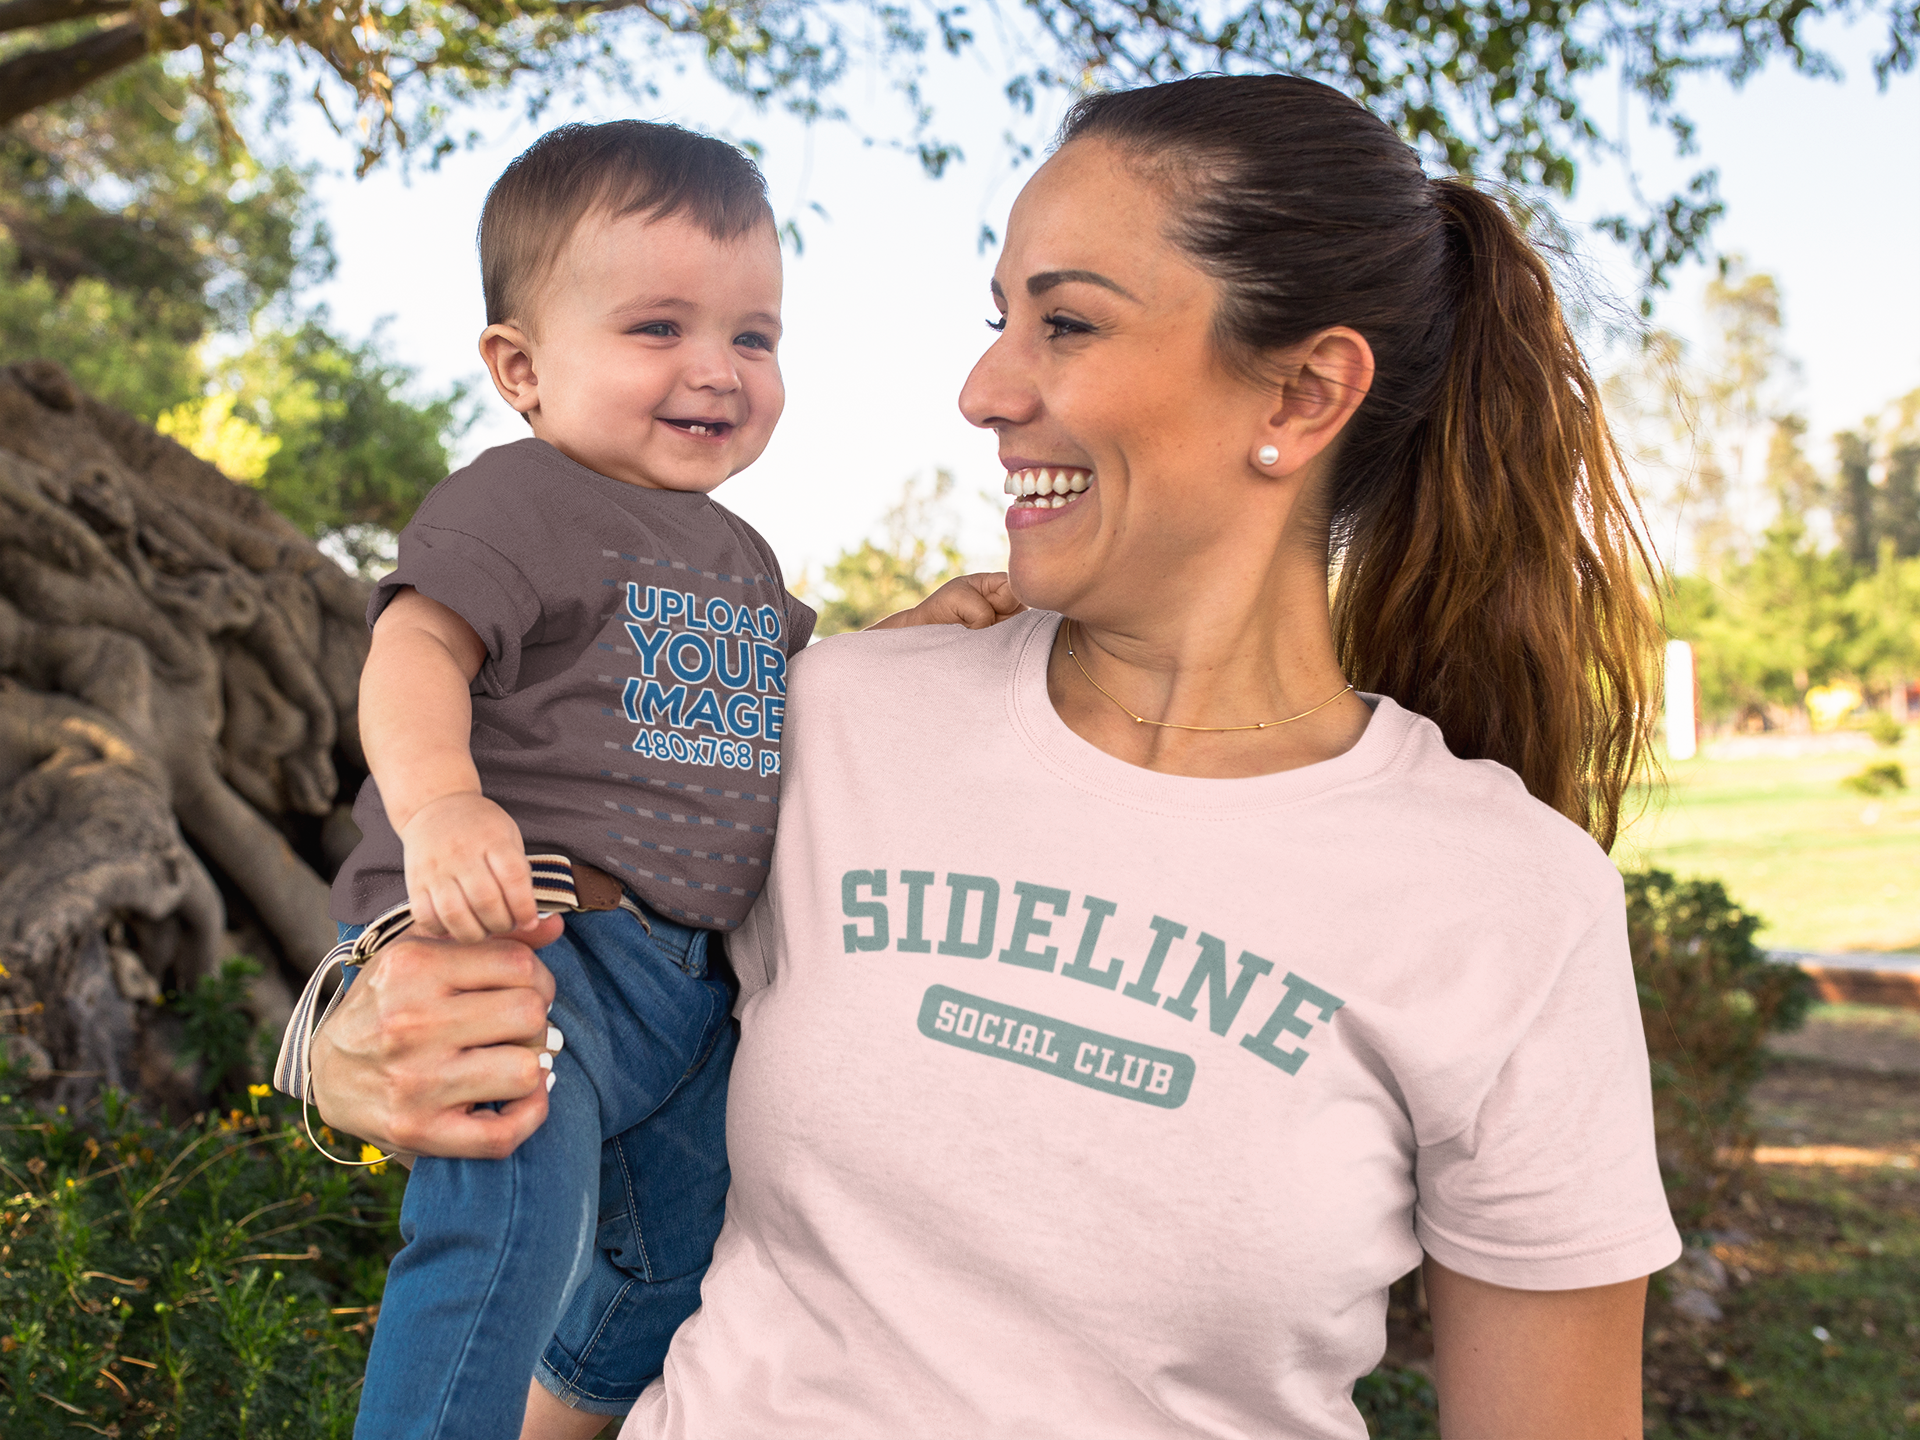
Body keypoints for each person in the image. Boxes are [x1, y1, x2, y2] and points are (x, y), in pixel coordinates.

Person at [309, 74, 1682, 1440]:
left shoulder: (1512, 900)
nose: (981, 389)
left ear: (1308, 389)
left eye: (1067, 322)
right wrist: (339, 1032)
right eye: (999, 320)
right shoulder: (838, 718)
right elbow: (567, 875)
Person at [288, 120, 1013, 1440]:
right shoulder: (523, 500)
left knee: (677, 1256)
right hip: (527, 942)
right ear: (521, 366)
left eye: (753, 336)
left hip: (686, 989)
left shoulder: (734, 548)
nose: (715, 370)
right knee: (500, 1240)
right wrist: (446, 803)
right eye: (657, 329)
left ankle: (568, 1409)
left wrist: (913, 630)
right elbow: (414, 649)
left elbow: (788, 695)